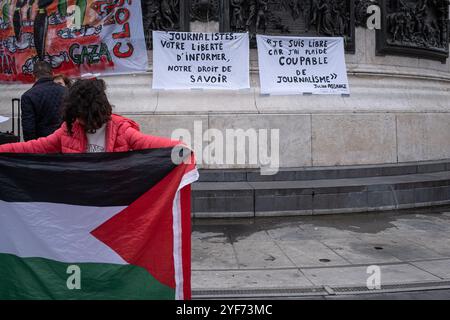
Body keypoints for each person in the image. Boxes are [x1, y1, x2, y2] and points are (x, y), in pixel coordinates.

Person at [0, 78, 180, 154]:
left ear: (93, 111)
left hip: (111, 201)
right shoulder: (68, 129)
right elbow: (36, 146)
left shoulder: (121, 129)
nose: (77, 120)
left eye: (80, 114)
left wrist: (179, 147)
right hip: (81, 203)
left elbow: (147, 142)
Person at [20, 60, 67, 141]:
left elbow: (28, 129)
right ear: (52, 74)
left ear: (33, 75)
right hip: (64, 140)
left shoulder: (28, 96)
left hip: (42, 144)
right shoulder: (66, 91)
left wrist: (31, 149)